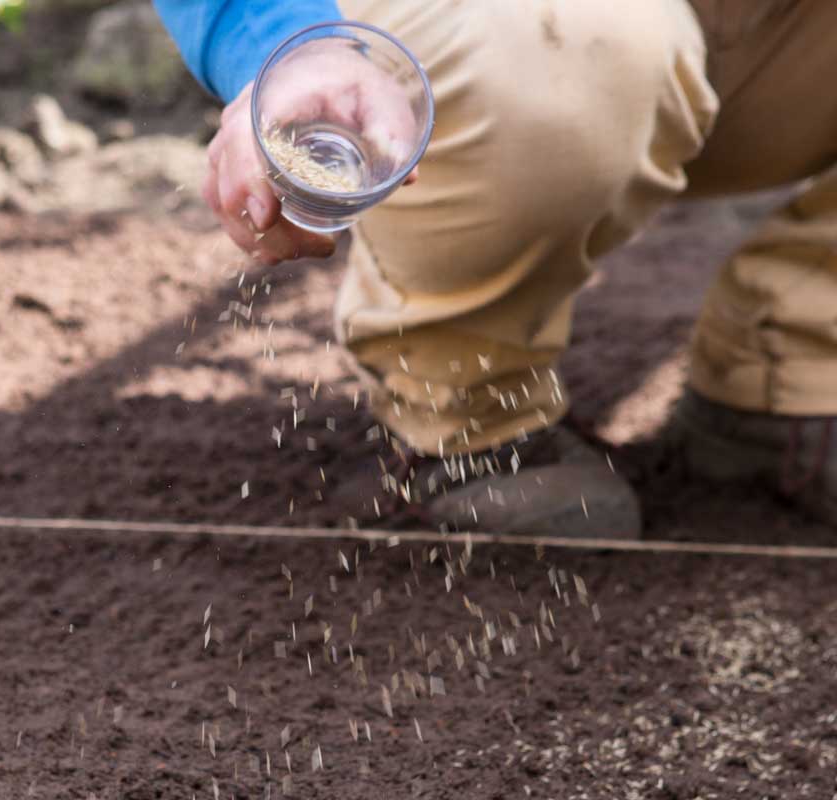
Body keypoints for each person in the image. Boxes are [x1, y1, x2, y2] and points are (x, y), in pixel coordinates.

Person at [152, 0, 837, 538]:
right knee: (559, 49)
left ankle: (794, 372)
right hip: (503, 46)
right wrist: (282, 36)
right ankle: (470, 418)